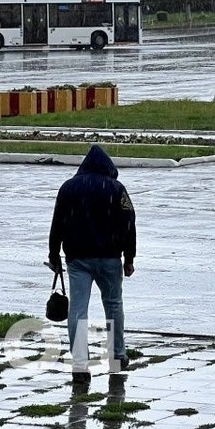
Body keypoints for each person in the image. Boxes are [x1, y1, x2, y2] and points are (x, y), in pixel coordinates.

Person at [47, 144, 137, 386]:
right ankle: (117, 356)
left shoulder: (68, 188)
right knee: (113, 305)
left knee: (78, 311)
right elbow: (129, 222)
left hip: (78, 260)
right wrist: (129, 257)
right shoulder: (116, 188)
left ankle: (79, 366)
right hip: (110, 259)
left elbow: (57, 223)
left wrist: (54, 255)